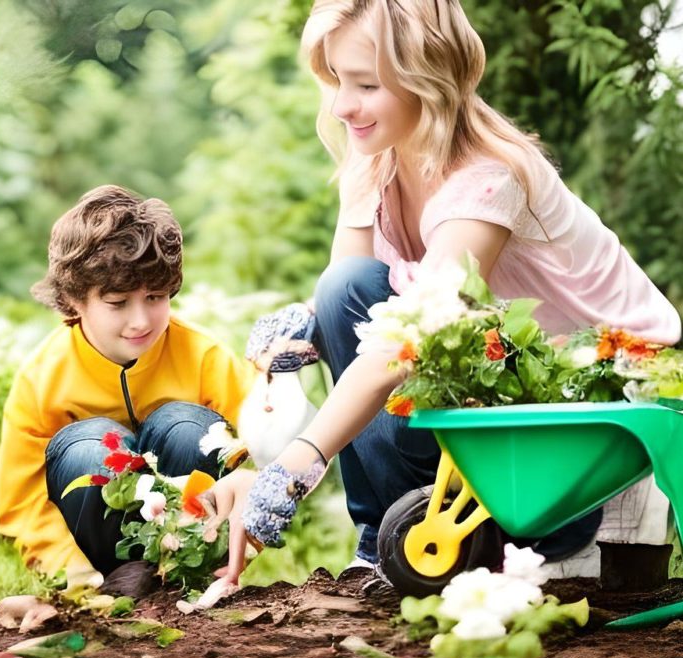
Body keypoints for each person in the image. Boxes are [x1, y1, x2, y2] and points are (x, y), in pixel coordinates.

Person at [205, 0, 682, 590]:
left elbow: (403, 338)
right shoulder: (375, 155)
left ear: (426, 77)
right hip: (497, 383)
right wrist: (301, 335)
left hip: (587, 420)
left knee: (375, 328)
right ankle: (383, 539)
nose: (342, 106)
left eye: (366, 84)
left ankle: (443, 537)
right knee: (342, 293)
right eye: (336, 80)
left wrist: (296, 465)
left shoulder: (489, 176)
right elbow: (348, 293)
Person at [0, 185, 256, 591]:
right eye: (117, 303)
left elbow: (268, 462)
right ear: (74, 299)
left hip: (192, 536)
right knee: (92, 443)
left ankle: (194, 574)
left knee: (189, 426)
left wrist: (244, 542)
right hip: (95, 556)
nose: (140, 321)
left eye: (155, 297)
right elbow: (21, 501)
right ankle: (116, 582)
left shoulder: (205, 357)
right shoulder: (42, 378)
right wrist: (71, 571)